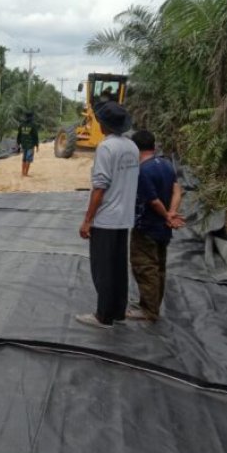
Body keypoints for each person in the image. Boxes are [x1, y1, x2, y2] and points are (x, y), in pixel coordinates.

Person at [75, 101, 139, 328]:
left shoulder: (106, 148)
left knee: (102, 269)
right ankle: (118, 311)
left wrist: (87, 220)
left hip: (107, 219)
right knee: (119, 268)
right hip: (124, 219)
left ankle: (103, 316)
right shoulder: (132, 147)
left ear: (104, 125)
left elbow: (100, 187)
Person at [127, 131, 184, 322]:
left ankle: (149, 310)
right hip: (163, 228)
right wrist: (172, 213)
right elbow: (177, 190)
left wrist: (166, 214)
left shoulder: (143, 171)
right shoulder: (167, 165)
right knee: (159, 266)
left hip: (147, 226)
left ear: (136, 148)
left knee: (145, 266)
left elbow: (152, 201)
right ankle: (151, 304)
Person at [16, 112, 39, 177]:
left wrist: (18, 143)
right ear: (31, 117)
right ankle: (26, 174)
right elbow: (35, 136)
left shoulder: (21, 125)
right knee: (28, 159)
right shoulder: (33, 125)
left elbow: (19, 135)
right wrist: (37, 145)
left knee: (24, 159)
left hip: (24, 144)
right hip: (30, 145)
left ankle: (23, 173)